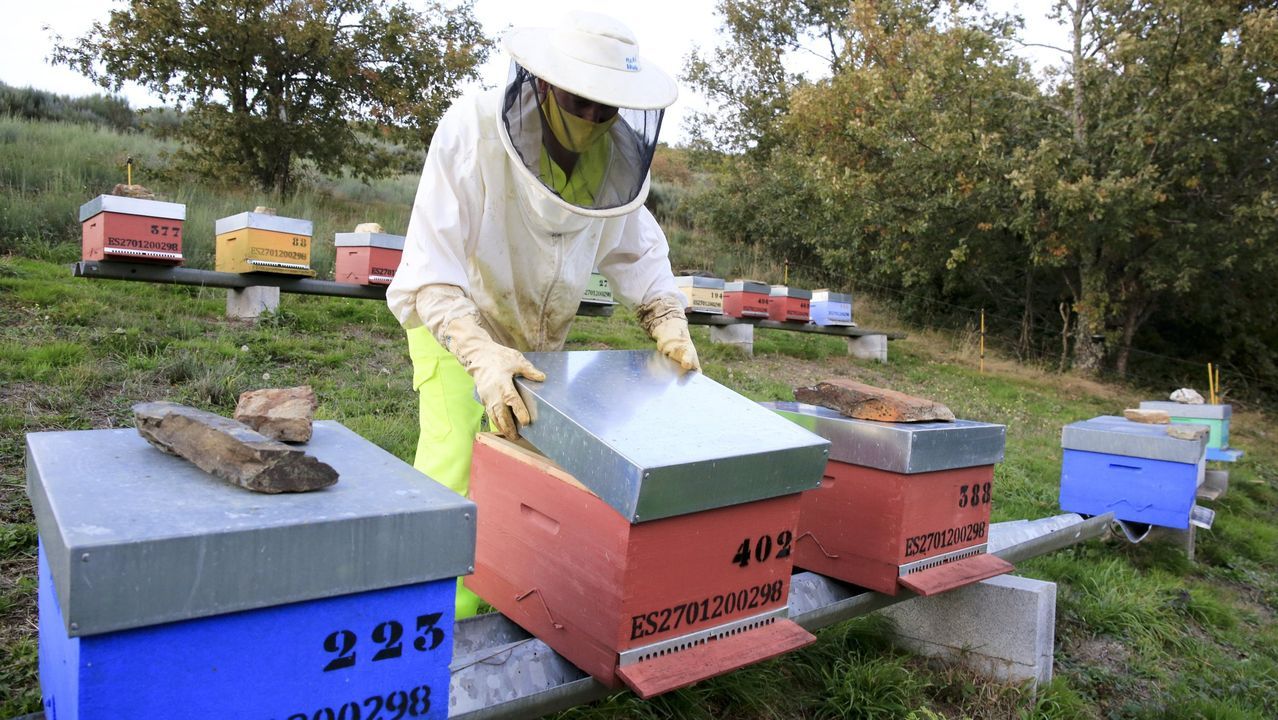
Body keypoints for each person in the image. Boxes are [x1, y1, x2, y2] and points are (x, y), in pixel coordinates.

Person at [386, 11, 700, 618]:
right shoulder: (471, 130)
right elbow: (431, 270)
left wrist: (665, 314)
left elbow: (638, 245)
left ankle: (508, 621)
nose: (591, 120)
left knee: (525, 485)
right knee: (455, 482)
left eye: (606, 108)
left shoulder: (615, 156)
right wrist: (479, 353)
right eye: (581, 103)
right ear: (547, 85)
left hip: (540, 345)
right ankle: (428, 639)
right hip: (458, 327)